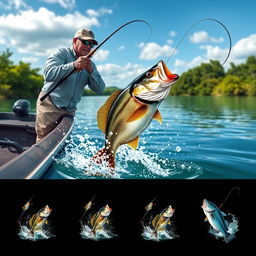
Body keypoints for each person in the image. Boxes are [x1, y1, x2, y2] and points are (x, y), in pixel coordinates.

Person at [35, 28, 105, 143]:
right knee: (43, 142)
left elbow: (100, 89)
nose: (88, 46)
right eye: (85, 42)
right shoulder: (61, 53)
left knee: (63, 144)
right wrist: (73, 66)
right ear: (74, 41)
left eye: (91, 44)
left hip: (70, 111)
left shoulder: (90, 64)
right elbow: (48, 74)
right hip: (49, 105)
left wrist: (91, 71)